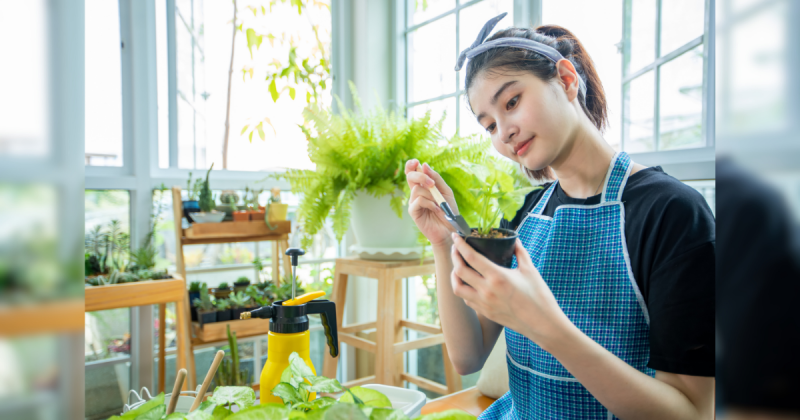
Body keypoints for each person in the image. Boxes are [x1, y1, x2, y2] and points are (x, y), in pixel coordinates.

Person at [405, 13, 715, 419]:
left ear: (567, 80)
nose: (504, 132)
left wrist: (542, 324)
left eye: (512, 102)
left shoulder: (672, 214)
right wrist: (443, 242)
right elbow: (468, 356)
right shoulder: (529, 213)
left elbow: (691, 413)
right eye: (489, 125)